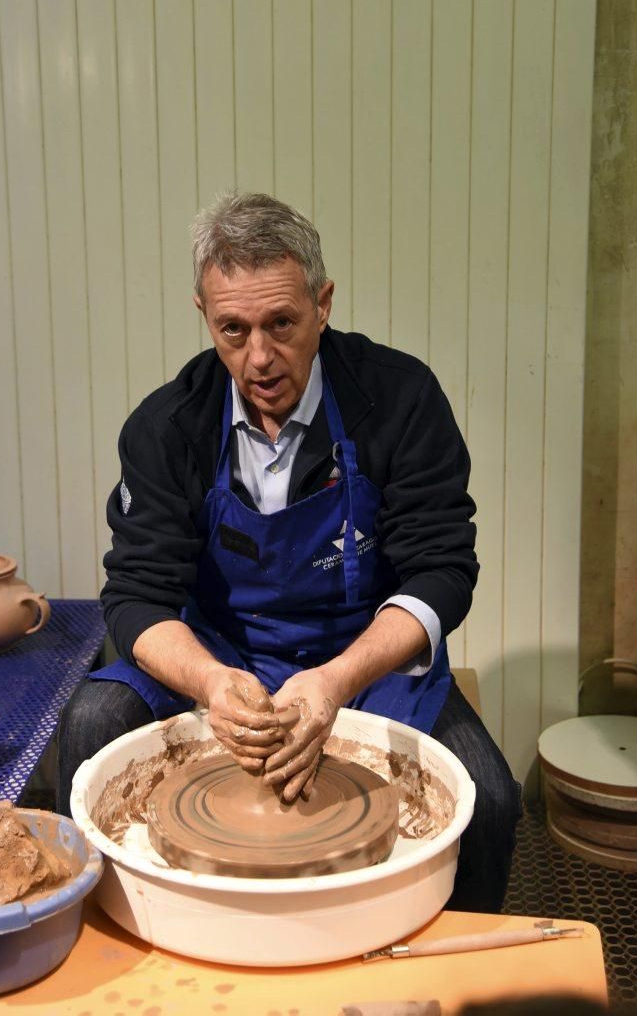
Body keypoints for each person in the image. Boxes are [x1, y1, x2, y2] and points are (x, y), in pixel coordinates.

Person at [57, 191, 521, 912]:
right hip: (222, 654)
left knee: (489, 800)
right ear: (204, 317)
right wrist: (212, 683)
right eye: (233, 330)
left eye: (282, 323)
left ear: (324, 303)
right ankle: (112, 949)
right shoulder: (168, 427)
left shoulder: (399, 400)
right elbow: (137, 594)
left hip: (363, 658)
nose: (260, 357)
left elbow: (444, 569)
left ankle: (446, 980)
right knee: (90, 722)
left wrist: (334, 680)